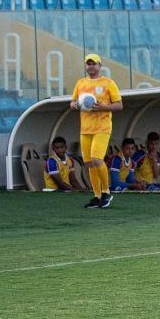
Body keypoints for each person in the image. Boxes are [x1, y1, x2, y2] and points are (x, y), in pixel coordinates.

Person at [70, 53, 122, 209]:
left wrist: (104, 107)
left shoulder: (108, 83)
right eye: (88, 64)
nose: (90, 66)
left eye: (93, 64)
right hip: (85, 129)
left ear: (100, 66)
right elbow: (72, 102)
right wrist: (75, 105)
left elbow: (119, 105)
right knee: (89, 163)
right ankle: (97, 196)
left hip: (102, 127)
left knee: (97, 159)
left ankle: (106, 192)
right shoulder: (80, 83)